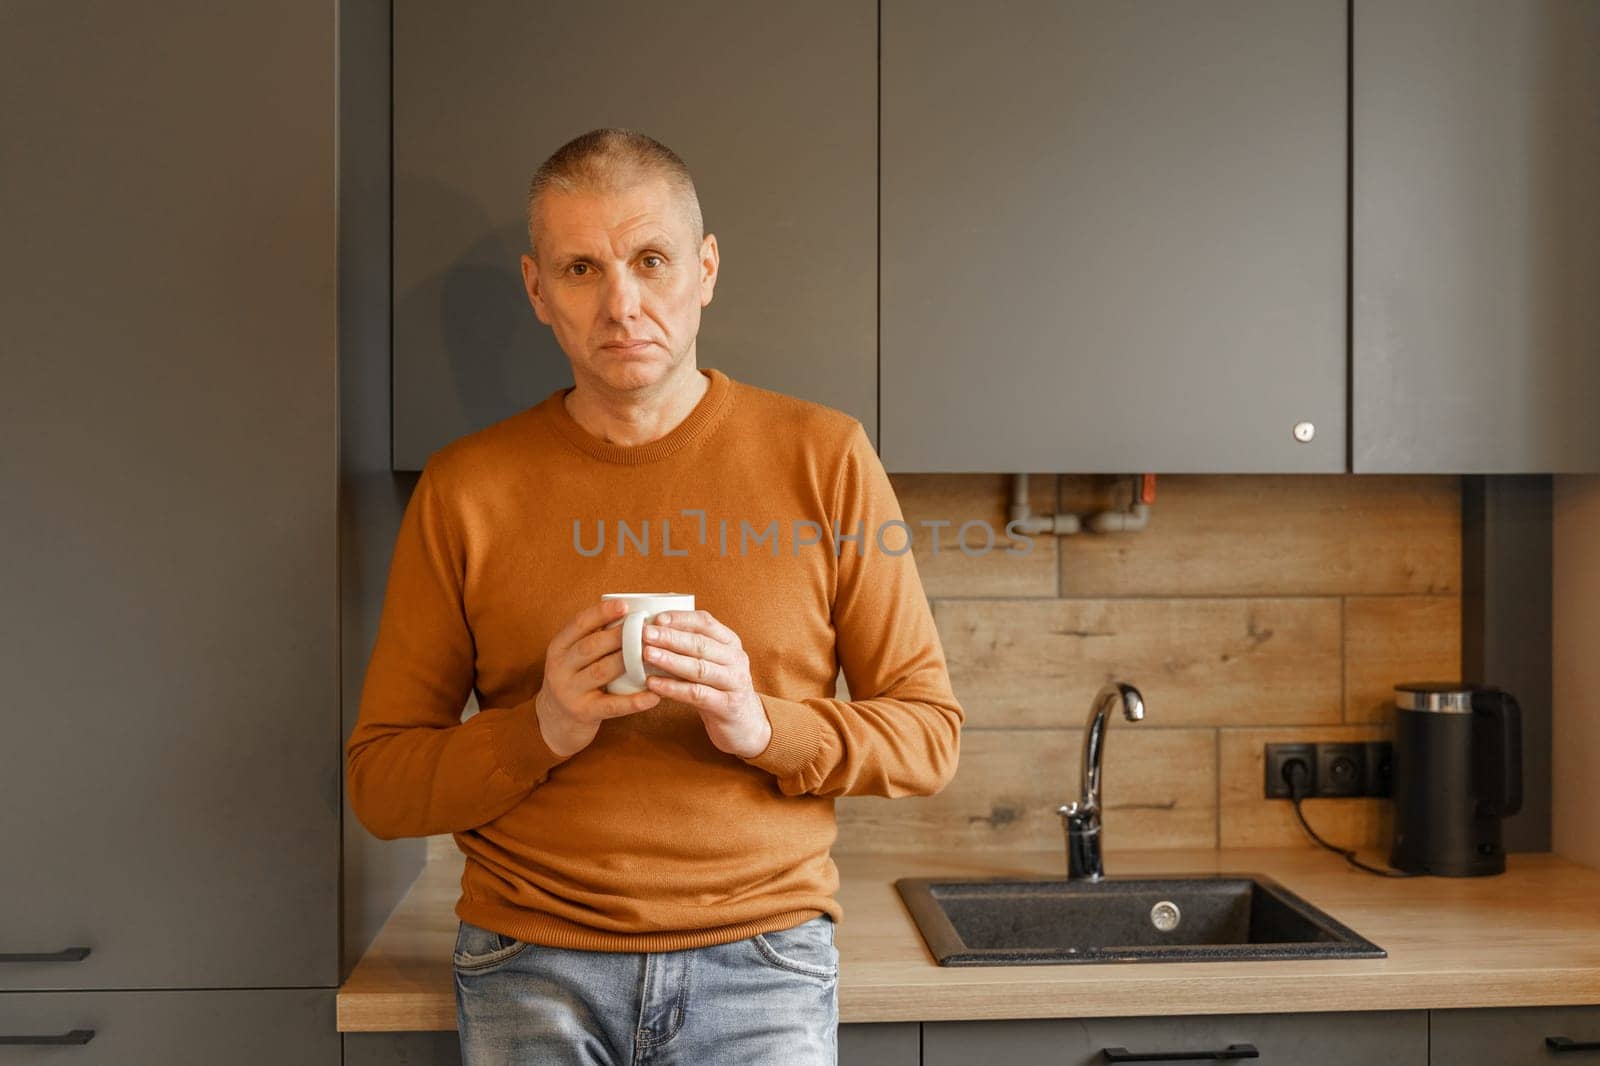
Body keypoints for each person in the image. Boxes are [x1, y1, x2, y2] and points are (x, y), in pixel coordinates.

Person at [345, 128, 964, 1065]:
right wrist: (542, 727)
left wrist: (763, 726)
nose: (622, 304)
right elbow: (380, 783)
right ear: (537, 290)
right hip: (527, 964)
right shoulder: (465, 487)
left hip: (765, 963)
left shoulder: (826, 457)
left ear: (705, 269)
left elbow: (929, 735)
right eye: (583, 268)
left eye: (651, 260)